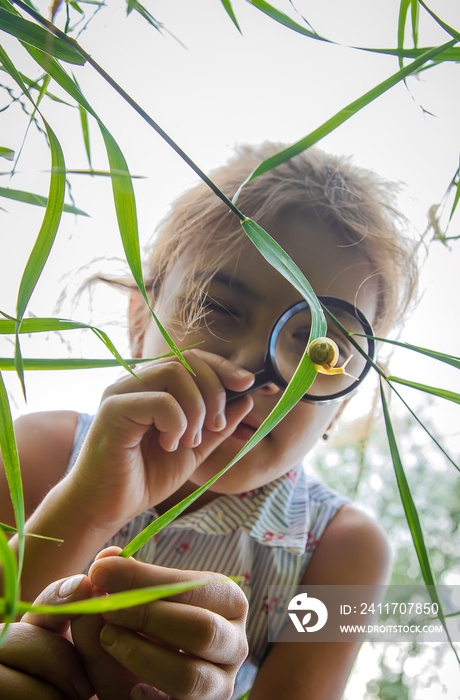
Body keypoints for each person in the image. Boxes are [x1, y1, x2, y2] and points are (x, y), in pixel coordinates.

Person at [0, 143, 417, 699]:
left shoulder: (342, 550)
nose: (253, 368)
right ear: (139, 317)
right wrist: (86, 505)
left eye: (322, 349)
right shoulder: (38, 450)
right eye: (217, 308)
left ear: (342, 402)